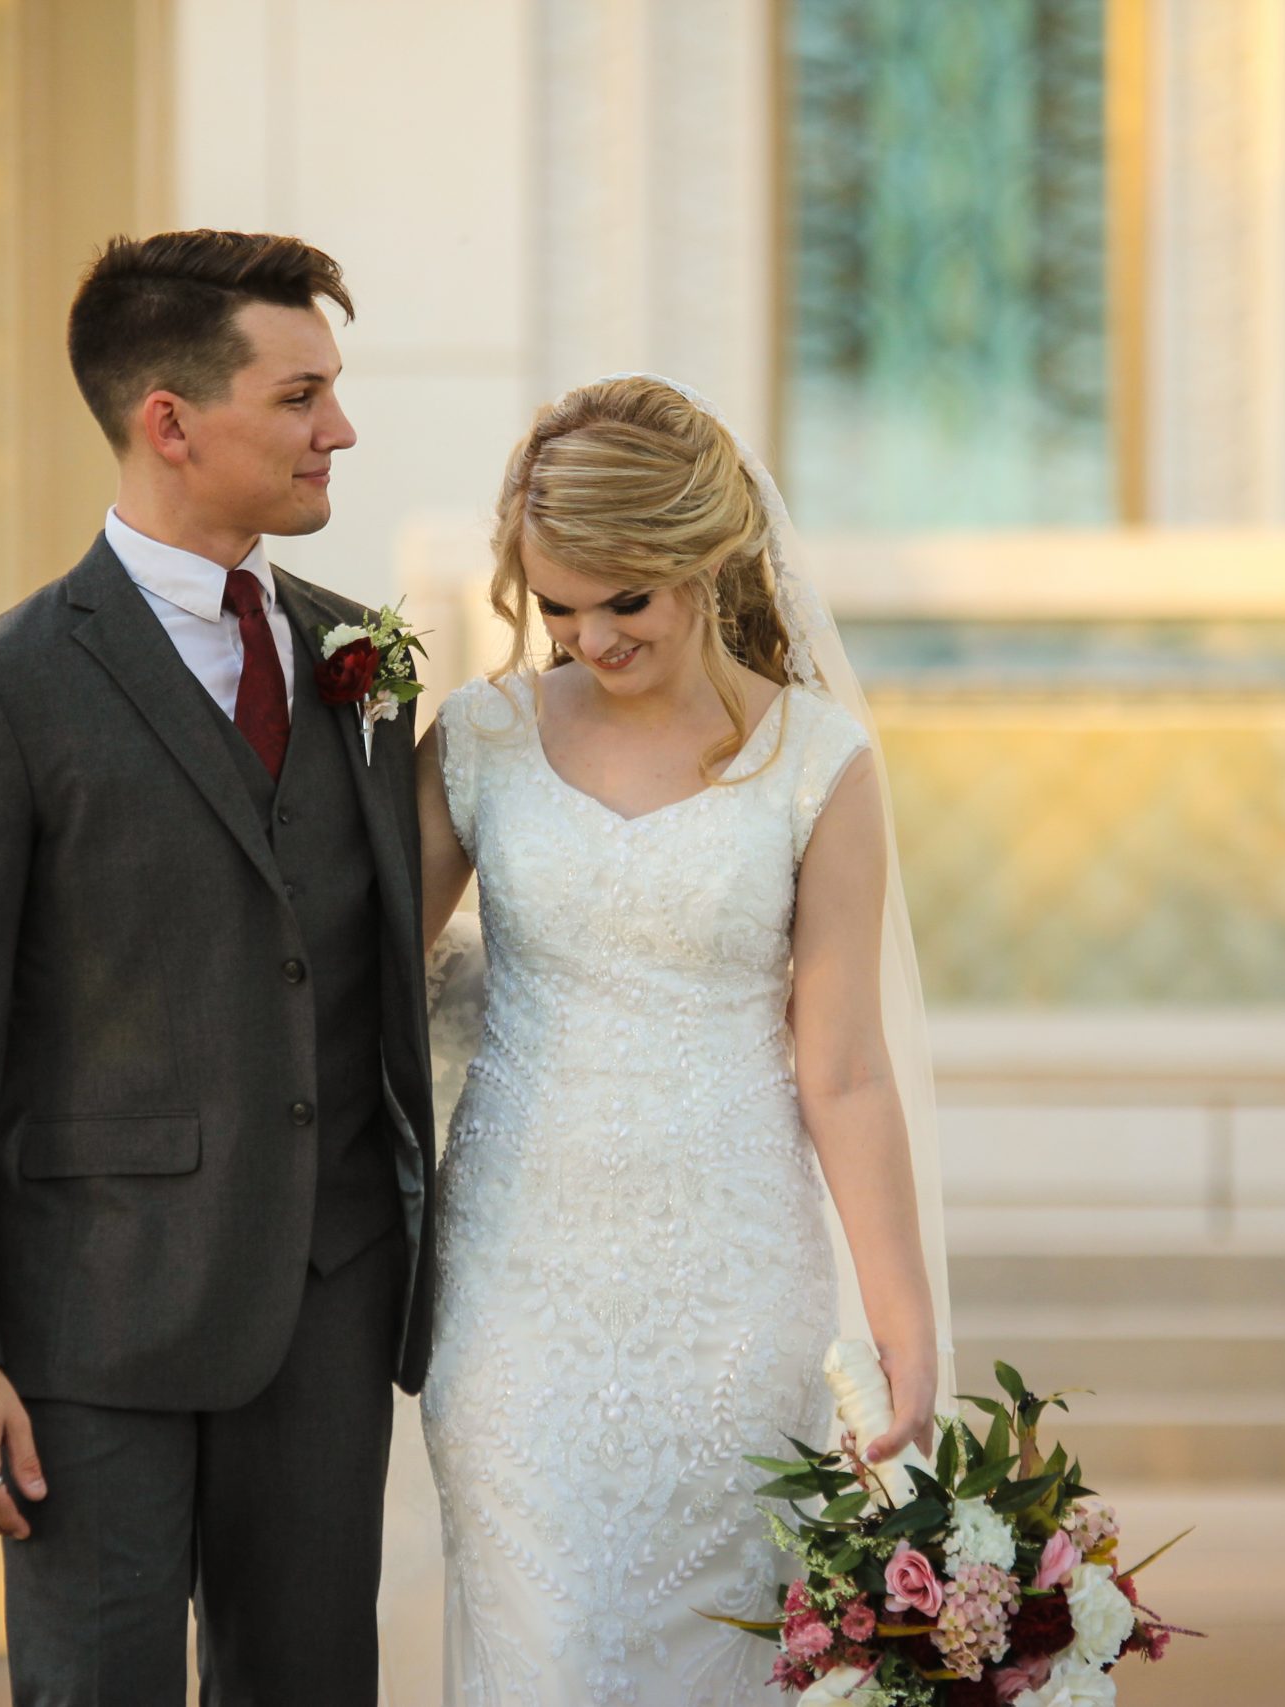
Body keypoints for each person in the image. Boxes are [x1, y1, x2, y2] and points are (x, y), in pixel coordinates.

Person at [0, 228, 435, 1707]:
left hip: (329, 1303)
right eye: (302, 396)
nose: (342, 431)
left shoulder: (365, 657)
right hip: (89, 1328)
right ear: (171, 423)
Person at [414, 374, 953, 1704]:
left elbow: (843, 1067)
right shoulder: (478, 743)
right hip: (512, 1286)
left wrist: (902, 1326)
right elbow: (354, 980)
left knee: (712, 1653)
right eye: (556, 606)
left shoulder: (816, 766)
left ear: (702, 563)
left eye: (624, 602)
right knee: (539, 1649)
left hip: (732, 1285)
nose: (589, 637)